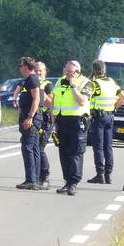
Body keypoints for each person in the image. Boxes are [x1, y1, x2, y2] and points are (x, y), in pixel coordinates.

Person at [52, 60, 92, 196]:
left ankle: (74, 183)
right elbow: (54, 101)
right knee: (64, 153)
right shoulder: (60, 81)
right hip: (62, 121)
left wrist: (74, 86)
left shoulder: (86, 83)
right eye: (66, 71)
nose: (68, 74)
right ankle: (67, 181)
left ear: (78, 72)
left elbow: (82, 101)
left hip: (77, 121)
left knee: (75, 153)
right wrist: (53, 121)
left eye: (71, 72)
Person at [86, 60, 121, 184]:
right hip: (110, 116)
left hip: (98, 117)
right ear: (104, 69)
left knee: (98, 147)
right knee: (108, 147)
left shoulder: (94, 83)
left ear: (94, 70)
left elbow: (84, 97)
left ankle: (100, 174)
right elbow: (122, 98)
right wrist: (114, 108)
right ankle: (108, 175)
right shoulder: (112, 82)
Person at [15, 57, 44, 190]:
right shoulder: (27, 80)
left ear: (26, 67)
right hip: (27, 116)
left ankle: (31, 180)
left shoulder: (32, 79)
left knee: (28, 148)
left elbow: (36, 98)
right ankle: (34, 179)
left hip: (31, 118)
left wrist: (30, 117)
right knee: (33, 148)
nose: (20, 68)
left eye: (21, 65)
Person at [36, 61, 54, 190]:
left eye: (40, 71)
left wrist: (40, 91)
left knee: (40, 148)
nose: (38, 73)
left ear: (44, 72)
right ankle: (36, 177)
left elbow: (51, 103)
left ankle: (46, 177)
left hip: (46, 120)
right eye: (36, 70)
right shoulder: (32, 83)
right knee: (35, 148)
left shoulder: (47, 85)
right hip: (36, 119)